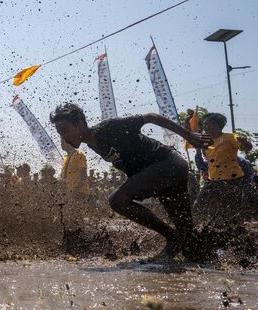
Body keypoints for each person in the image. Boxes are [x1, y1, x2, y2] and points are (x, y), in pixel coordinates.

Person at [50, 103, 210, 259]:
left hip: (168, 165)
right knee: (190, 243)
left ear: (79, 123)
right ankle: (219, 243)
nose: (63, 137)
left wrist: (189, 136)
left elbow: (150, 117)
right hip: (161, 178)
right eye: (60, 133)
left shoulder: (108, 128)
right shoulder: (93, 145)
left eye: (65, 131)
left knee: (117, 200)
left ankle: (173, 237)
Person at [192, 113, 253, 245]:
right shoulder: (206, 142)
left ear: (219, 126)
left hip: (232, 181)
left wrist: (245, 142)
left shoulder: (230, 137)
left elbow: (247, 148)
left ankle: (239, 241)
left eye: (211, 124)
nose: (207, 127)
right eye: (205, 125)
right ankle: (196, 233)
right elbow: (203, 164)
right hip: (212, 181)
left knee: (231, 213)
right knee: (198, 206)